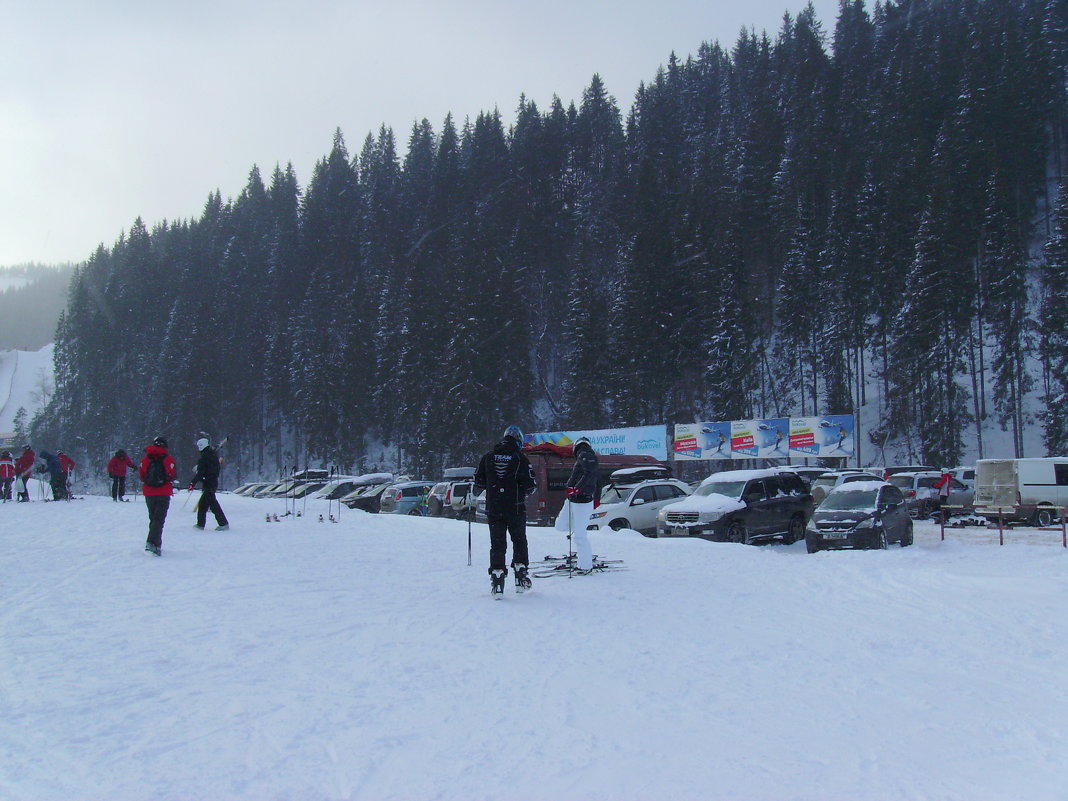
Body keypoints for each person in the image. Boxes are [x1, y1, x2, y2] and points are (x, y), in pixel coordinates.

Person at [474, 424, 537, 597]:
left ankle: (497, 581)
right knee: (519, 540)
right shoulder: (520, 458)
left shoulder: (488, 457)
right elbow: (531, 486)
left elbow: (478, 482)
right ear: (518, 440)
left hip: (494, 508)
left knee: (497, 544)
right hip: (515, 508)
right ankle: (520, 575)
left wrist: (494, 484)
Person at [554, 436, 600, 572]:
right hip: (574, 499)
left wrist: (576, 488)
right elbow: (598, 479)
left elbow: (589, 475)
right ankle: (581, 553)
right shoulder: (585, 455)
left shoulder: (586, 455)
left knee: (580, 535)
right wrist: (596, 498)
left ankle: (585, 565)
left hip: (581, 499)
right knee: (561, 525)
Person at [140, 436, 177, 556]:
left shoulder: (145, 459)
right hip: (163, 492)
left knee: (153, 518)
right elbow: (172, 475)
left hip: (149, 492)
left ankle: (155, 543)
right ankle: (152, 544)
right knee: (159, 519)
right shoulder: (169, 459)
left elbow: (142, 475)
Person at [189, 436, 229, 531]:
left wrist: (192, 483)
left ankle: (223, 523)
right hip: (213, 482)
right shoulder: (213, 456)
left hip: (208, 483)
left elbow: (200, 473)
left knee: (212, 504)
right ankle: (201, 524)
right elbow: (215, 469)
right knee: (204, 504)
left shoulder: (204, 458)